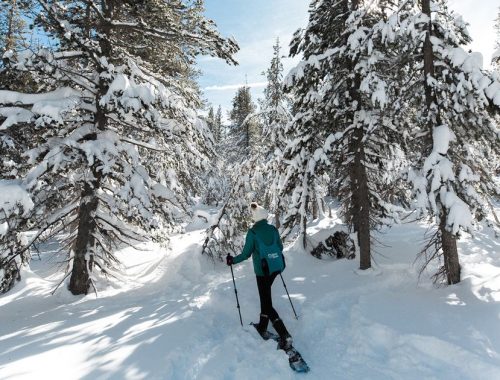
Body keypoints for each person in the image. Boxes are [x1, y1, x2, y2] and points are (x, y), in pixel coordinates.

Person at [226, 202, 293, 350]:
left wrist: (232, 260)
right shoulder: (273, 229)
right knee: (265, 298)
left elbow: (245, 254)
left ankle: (284, 335)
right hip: (276, 268)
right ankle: (263, 326)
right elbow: (280, 247)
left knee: (267, 304)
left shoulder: (253, 232)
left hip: (262, 272)